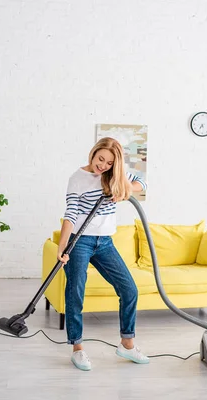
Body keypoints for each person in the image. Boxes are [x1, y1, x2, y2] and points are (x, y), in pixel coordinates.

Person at [57, 136, 149, 371]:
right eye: (100, 159)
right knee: (75, 292)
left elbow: (142, 183)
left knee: (129, 289)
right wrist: (62, 247)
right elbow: (71, 214)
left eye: (109, 163)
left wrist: (124, 189)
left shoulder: (113, 176)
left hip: (105, 242)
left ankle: (127, 344)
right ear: (93, 152)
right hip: (79, 242)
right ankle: (77, 348)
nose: (103, 166)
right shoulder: (78, 178)